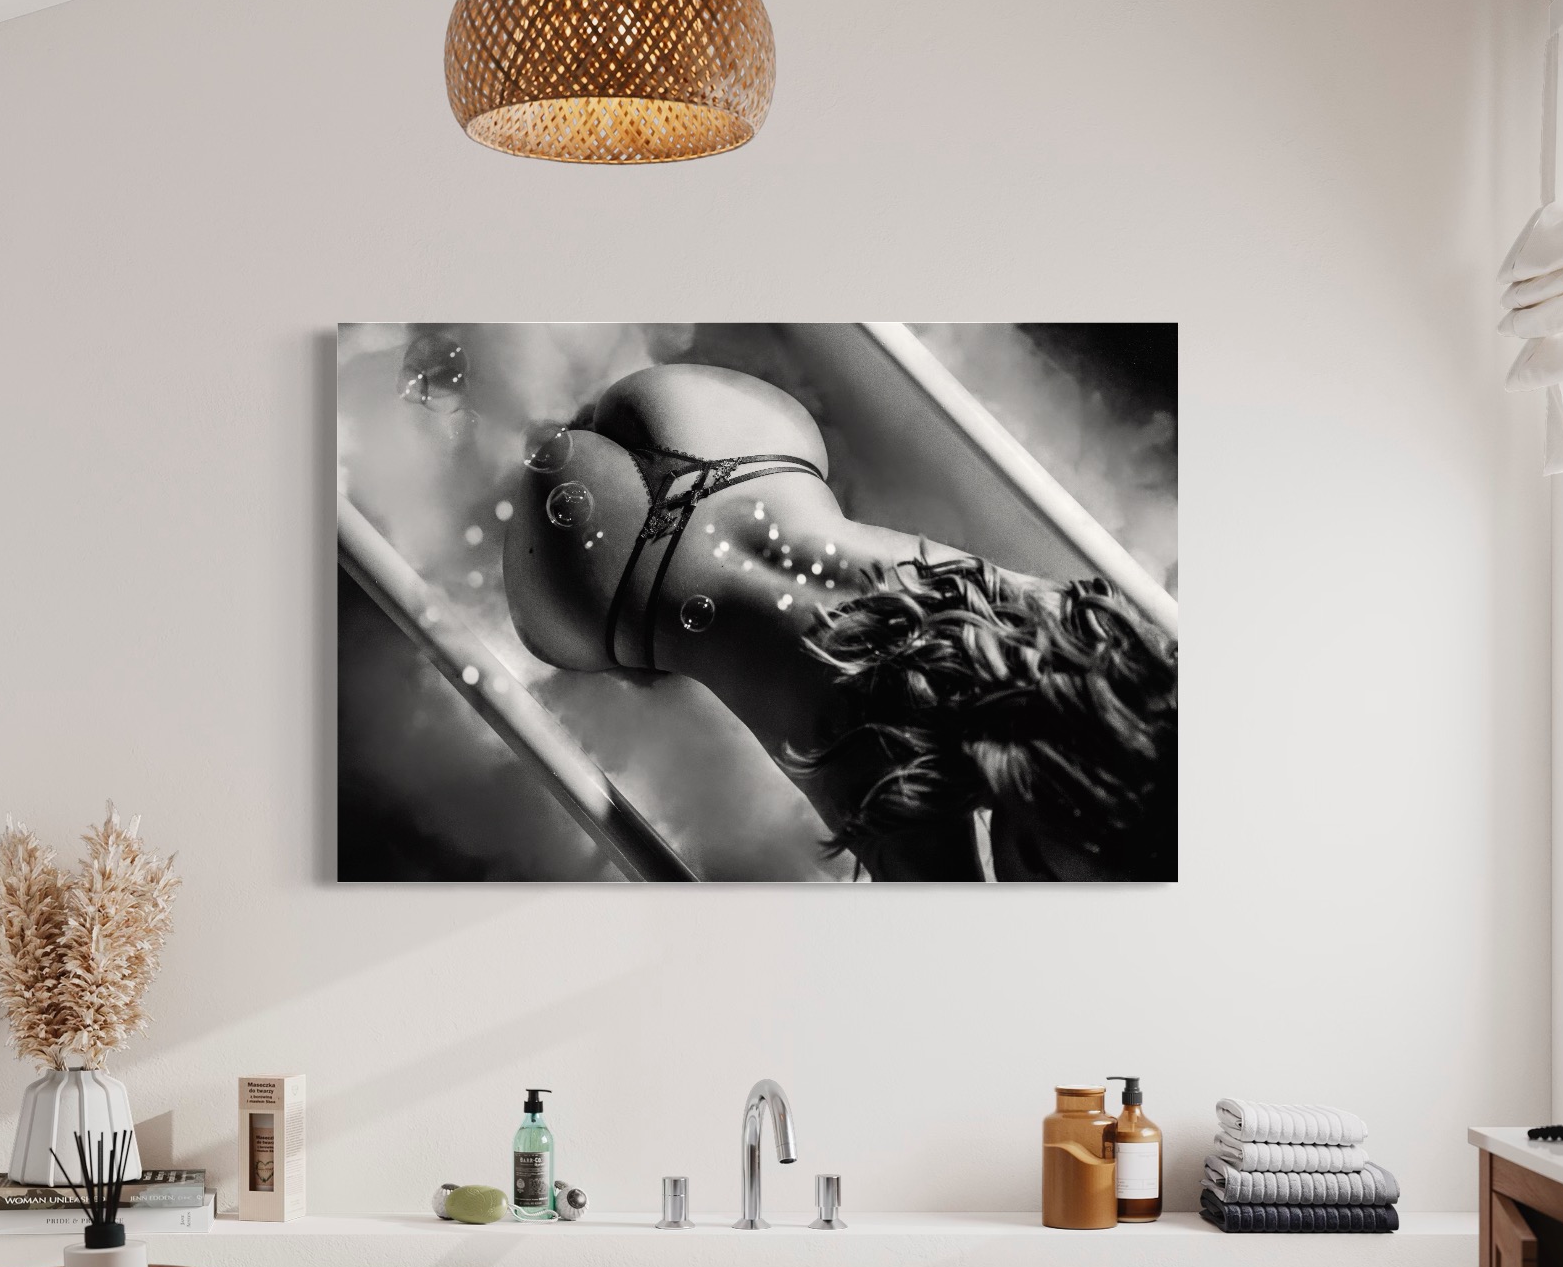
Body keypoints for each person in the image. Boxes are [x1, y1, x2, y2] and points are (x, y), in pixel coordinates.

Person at [503, 362, 1175, 881]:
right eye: (1044, 870)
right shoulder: (925, 837)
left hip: (720, 429)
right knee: (648, 678)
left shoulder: (1079, 623)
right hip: (601, 584)